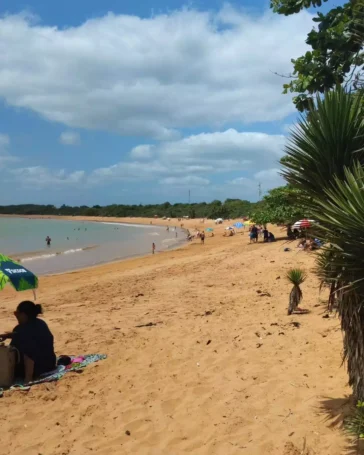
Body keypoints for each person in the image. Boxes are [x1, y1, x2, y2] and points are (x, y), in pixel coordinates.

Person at [0, 301, 56, 383]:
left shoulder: (24, 330)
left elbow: (29, 355)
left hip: (38, 368)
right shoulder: (40, 323)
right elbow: (22, 334)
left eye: (17, 313)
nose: (16, 315)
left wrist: (28, 379)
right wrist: (7, 335)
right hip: (49, 364)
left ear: (24, 314)